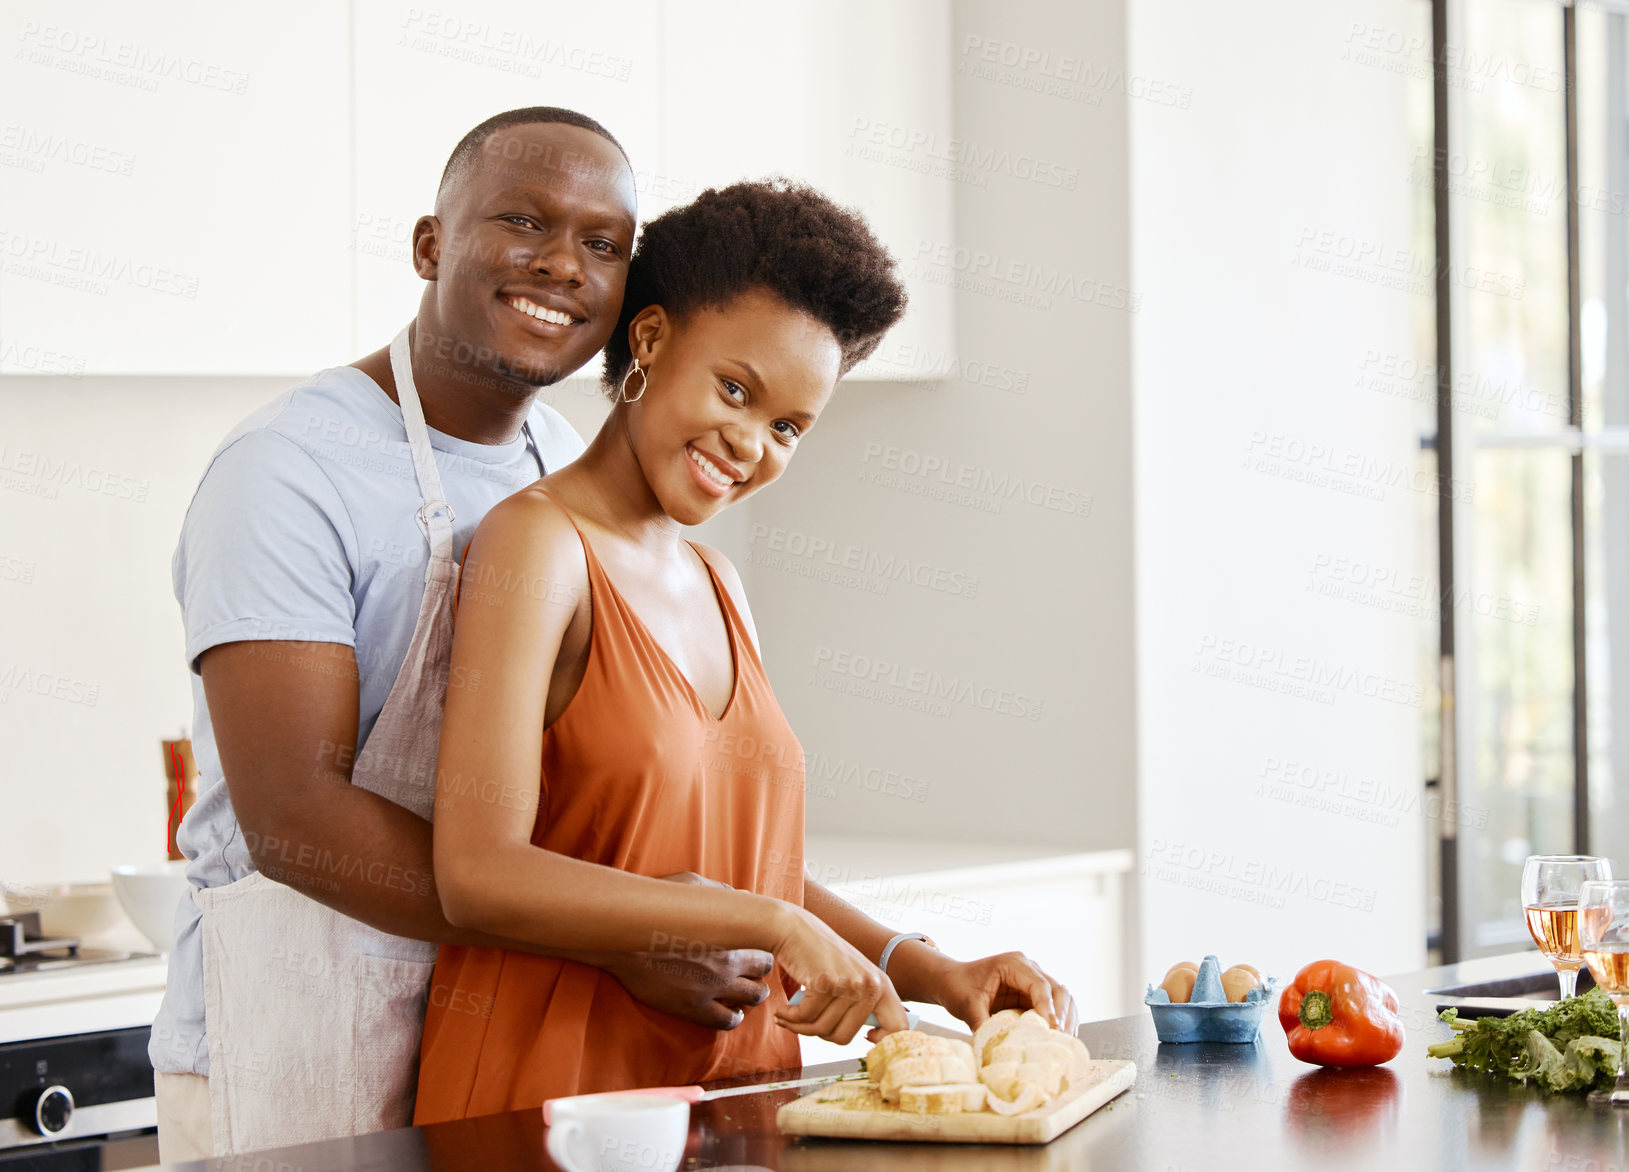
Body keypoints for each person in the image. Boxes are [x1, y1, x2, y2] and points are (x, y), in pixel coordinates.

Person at [152, 108, 778, 1162]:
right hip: (296, 1036)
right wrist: (619, 934)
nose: (562, 265)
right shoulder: (288, 469)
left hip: (491, 1026)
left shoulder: (562, 458)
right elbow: (294, 813)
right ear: (430, 245)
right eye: (521, 221)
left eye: (601, 244)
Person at [413, 179, 1078, 1122]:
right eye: (735, 388)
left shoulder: (721, 587)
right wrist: (773, 924)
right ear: (648, 341)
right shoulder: (538, 544)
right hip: (560, 1104)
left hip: (737, 1098)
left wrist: (934, 971)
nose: (749, 444)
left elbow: (746, 861)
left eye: (787, 428)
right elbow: (476, 873)